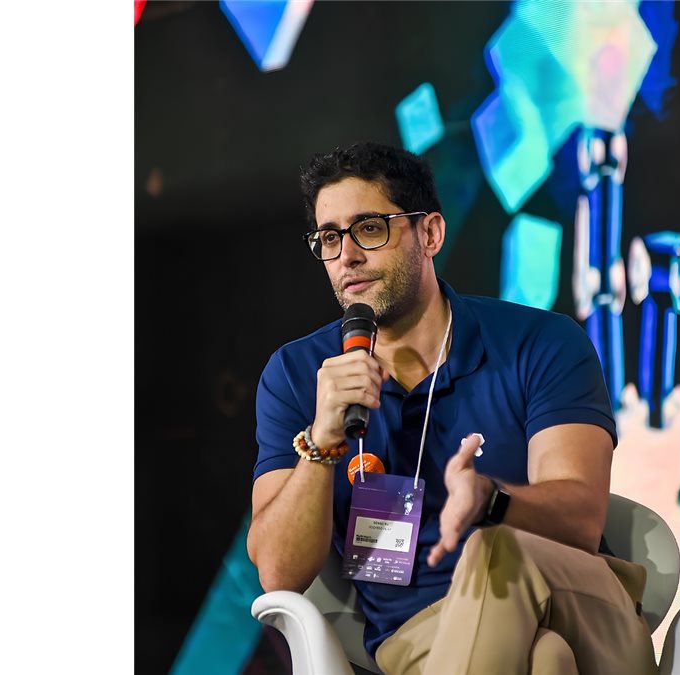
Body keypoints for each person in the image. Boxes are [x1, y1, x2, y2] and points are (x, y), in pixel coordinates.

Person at [247, 142, 657, 675]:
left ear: (430, 234)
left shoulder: (540, 342)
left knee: (497, 554)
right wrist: (321, 442)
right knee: (547, 660)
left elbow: (580, 520)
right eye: (329, 238)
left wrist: (492, 501)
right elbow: (278, 573)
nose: (347, 255)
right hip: (425, 637)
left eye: (369, 228)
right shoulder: (297, 373)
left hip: (579, 607)